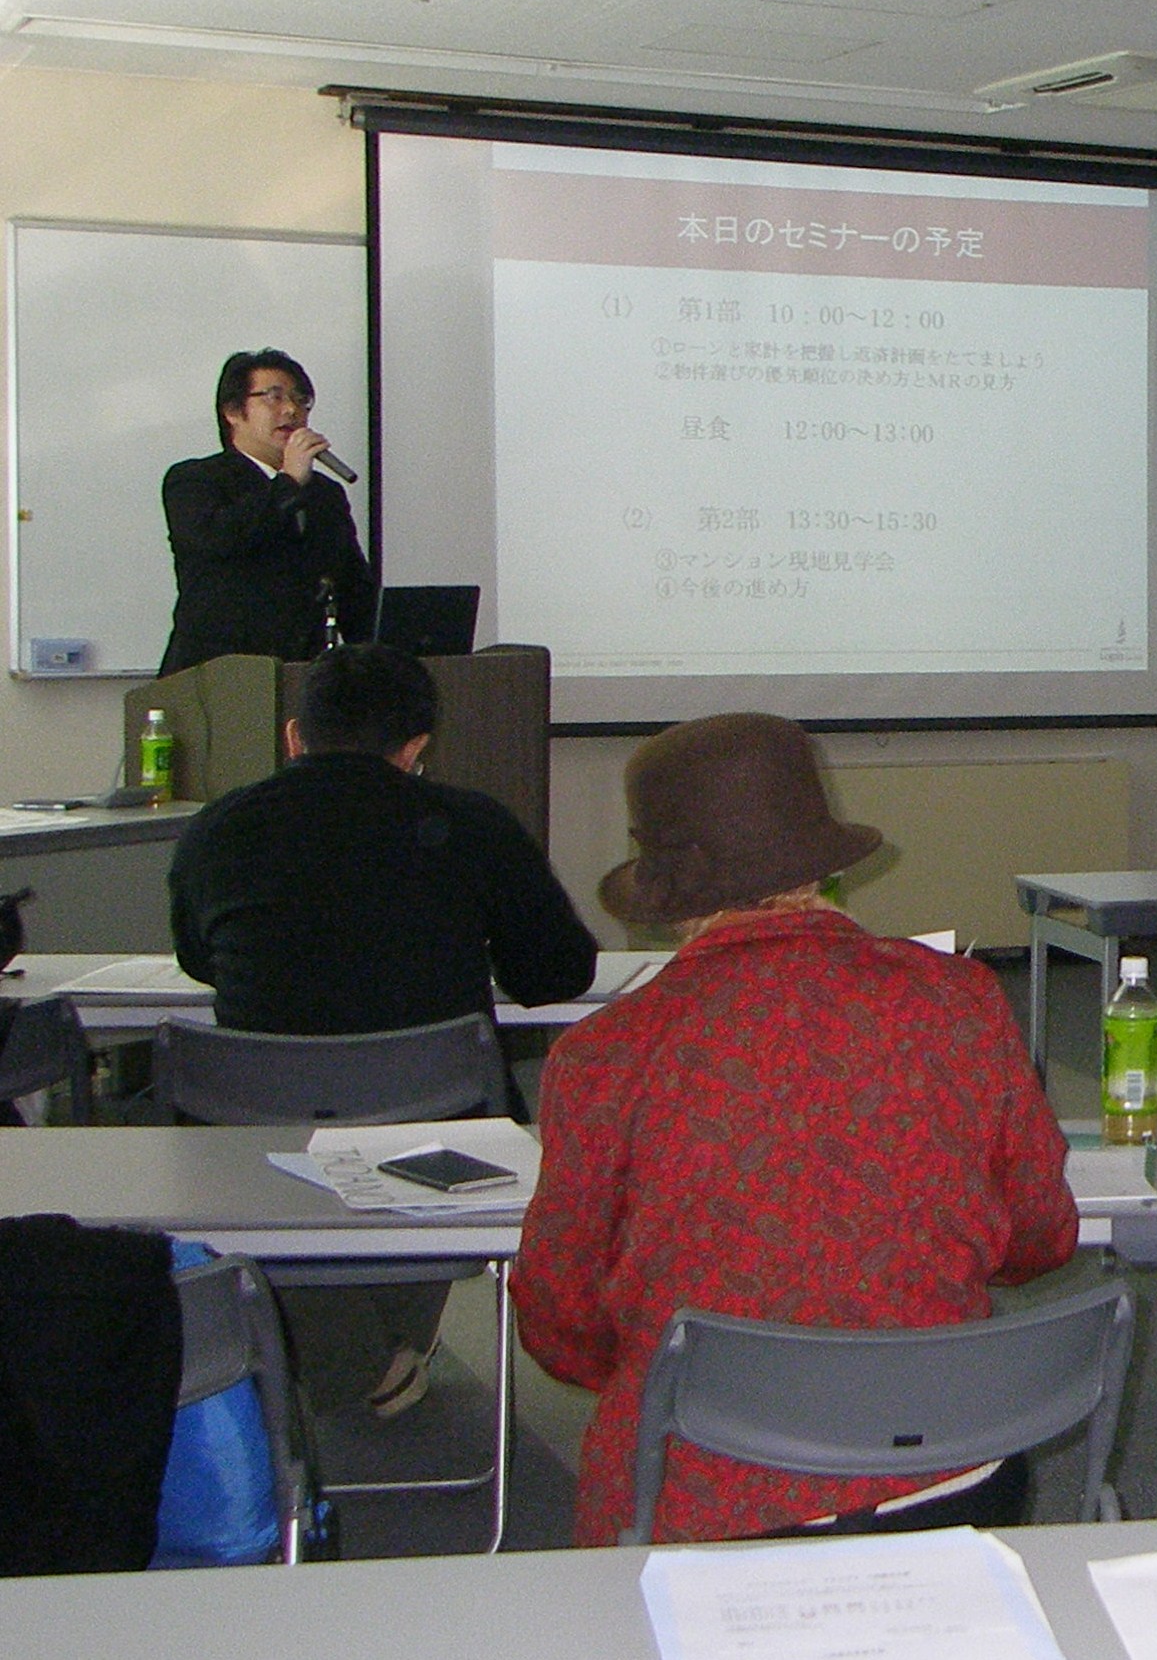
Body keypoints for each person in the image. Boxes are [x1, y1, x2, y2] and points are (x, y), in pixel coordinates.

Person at [513, 713, 1079, 1546]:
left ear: (668, 894)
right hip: (946, 1471)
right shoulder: (960, 1001)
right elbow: (1041, 1237)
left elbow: (559, 1324)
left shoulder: (605, 1054)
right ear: (822, 864)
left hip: (700, 1497)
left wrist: (686, 1372)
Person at [167, 643, 597, 1418]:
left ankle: (338, 1354)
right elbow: (557, 975)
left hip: (256, 1126)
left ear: (294, 736)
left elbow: (200, 961)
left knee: (313, 1147)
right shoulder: (470, 824)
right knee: (426, 1129)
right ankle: (367, 1358)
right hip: (440, 1124)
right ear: (415, 745)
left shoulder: (220, 827)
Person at [160, 348, 375, 675]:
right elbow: (223, 538)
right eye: (274, 397)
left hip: (305, 674)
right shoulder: (194, 479)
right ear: (233, 411)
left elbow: (354, 591)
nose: (291, 410)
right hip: (218, 676)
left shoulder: (324, 494)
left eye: (301, 400)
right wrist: (289, 482)